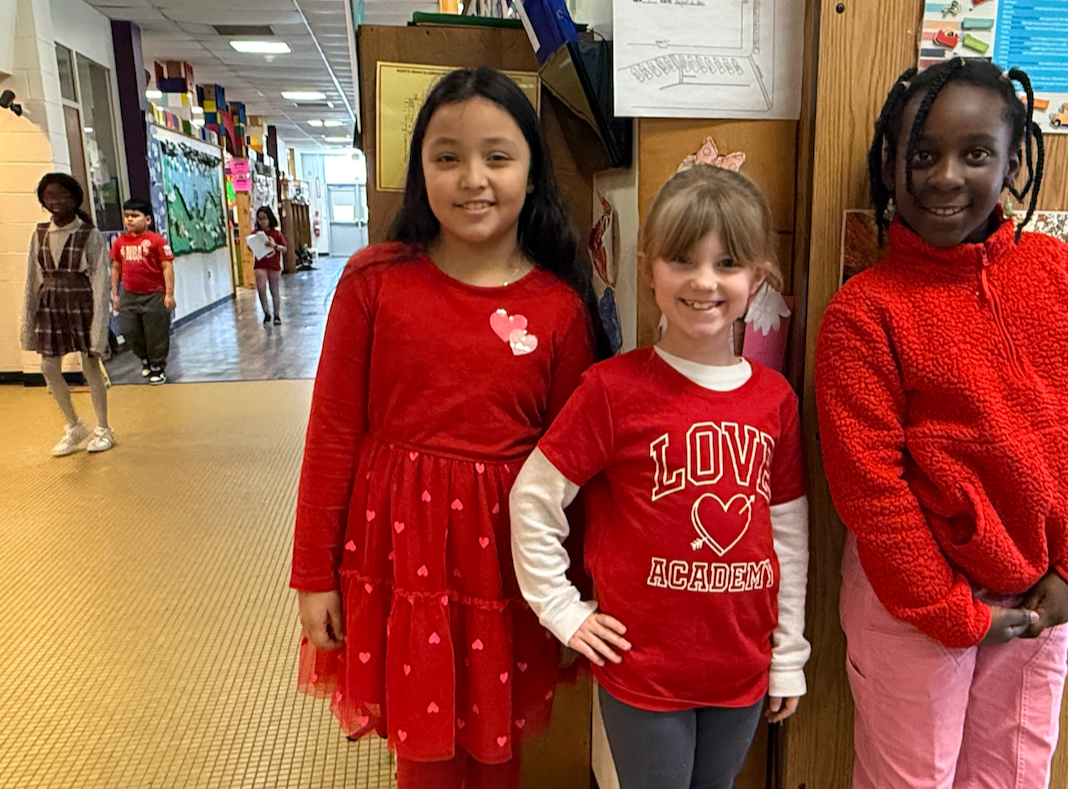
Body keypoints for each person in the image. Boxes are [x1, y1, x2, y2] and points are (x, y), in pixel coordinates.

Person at [814, 59, 1068, 789]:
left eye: (975, 153)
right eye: (922, 155)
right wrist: (949, 610)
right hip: (915, 604)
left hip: (1040, 595)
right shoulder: (865, 312)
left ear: (1012, 159)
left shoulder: (1064, 275)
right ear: (889, 162)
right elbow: (872, 491)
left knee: (1014, 777)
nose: (946, 176)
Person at [290, 66, 606, 789]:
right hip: (402, 561)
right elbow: (332, 435)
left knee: (498, 751)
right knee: (424, 754)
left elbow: (573, 468)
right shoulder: (373, 282)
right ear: (418, 170)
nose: (473, 178)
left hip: (508, 566)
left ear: (532, 170)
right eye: (447, 157)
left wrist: (580, 586)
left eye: (498, 156)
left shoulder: (559, 307)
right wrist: (315, 575)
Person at [510, 165, 810, 789]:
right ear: (649, 270)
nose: (704, 281)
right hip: (643, 669)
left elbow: (788, 535)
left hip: (740, 667)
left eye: (727, 263)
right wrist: (563, 611)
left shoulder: (776, 400)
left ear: (758, 278)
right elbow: (534, 499)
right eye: (681, 260)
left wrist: (788, 655)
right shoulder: (612, 391)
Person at [20, 173, 114, 455]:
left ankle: (103, 427)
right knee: (48, 367)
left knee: (90, 365)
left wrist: (99, 326)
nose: (56, 201)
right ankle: (74, 424)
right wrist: (27, 324)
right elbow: (31, 280)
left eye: (62, 195)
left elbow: (100, 280)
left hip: (81, 304)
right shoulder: (39, 234)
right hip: (51, 306)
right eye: (49, 196)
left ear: (75, 198)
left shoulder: (89, 234)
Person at [111, 198, 175, 385]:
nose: (129, 220)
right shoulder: (120, 242)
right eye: (127, 216)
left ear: (147, 219)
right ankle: (144, 358)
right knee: (129, 330)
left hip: (154, 294)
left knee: (156, 333)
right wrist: (115, 294)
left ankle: (157, 366)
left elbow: (167, 267)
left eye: (135, 216)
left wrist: (169, 294)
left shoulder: (157, 241)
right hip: (130, 295)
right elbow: (116, 267)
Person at [251, 205, 287, 324]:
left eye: (265, 218)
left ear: (270, 218)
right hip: (260, 263)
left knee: (274, 289)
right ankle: (266, 312)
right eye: (260, 218)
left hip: (273, 264)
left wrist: (274, 246)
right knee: (261, 288)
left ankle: (277, 314)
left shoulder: (276, 234)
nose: (262, 221)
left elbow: (284, 248)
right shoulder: (255, 233)